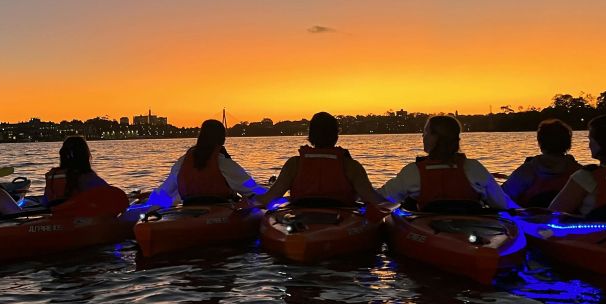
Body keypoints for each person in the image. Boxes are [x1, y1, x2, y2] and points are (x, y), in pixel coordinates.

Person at [380, 115, 515, 211]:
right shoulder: (475, 168)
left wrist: (367, 192)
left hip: (429, 231)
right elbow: (502, 204)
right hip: (472, 230)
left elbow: (382, 198)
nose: (422, 136)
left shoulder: (412, 172)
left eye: (426, 132)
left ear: (435, 137)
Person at [252, 112, 385, 208]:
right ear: (336, 135)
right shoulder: (351, 166)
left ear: (311, 136)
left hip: (300, 221)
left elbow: (269, 198)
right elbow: (373, 199)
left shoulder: (294, 164)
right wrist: (392, 204)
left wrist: (250, 201)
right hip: (341, 221)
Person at [149, 119, 266, 206]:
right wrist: (269, 194)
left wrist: (148, 204)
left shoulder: (182, 163)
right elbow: (252, 189)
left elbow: (165, 191)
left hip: (188, 211)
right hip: (220, 212)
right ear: (222, 140)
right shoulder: (224, 164)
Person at [502, 119, 582, 208]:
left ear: (540, 143)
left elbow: (501, 197)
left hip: (530, 216)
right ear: (568, 143)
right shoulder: (580, 173)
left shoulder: (526, 171)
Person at [41, 136, 129, 215]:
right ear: (84, 155)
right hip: (81, 219)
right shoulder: (88, 177)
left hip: (57, 216)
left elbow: (45, 201)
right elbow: (109, 195)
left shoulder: (52, 176)